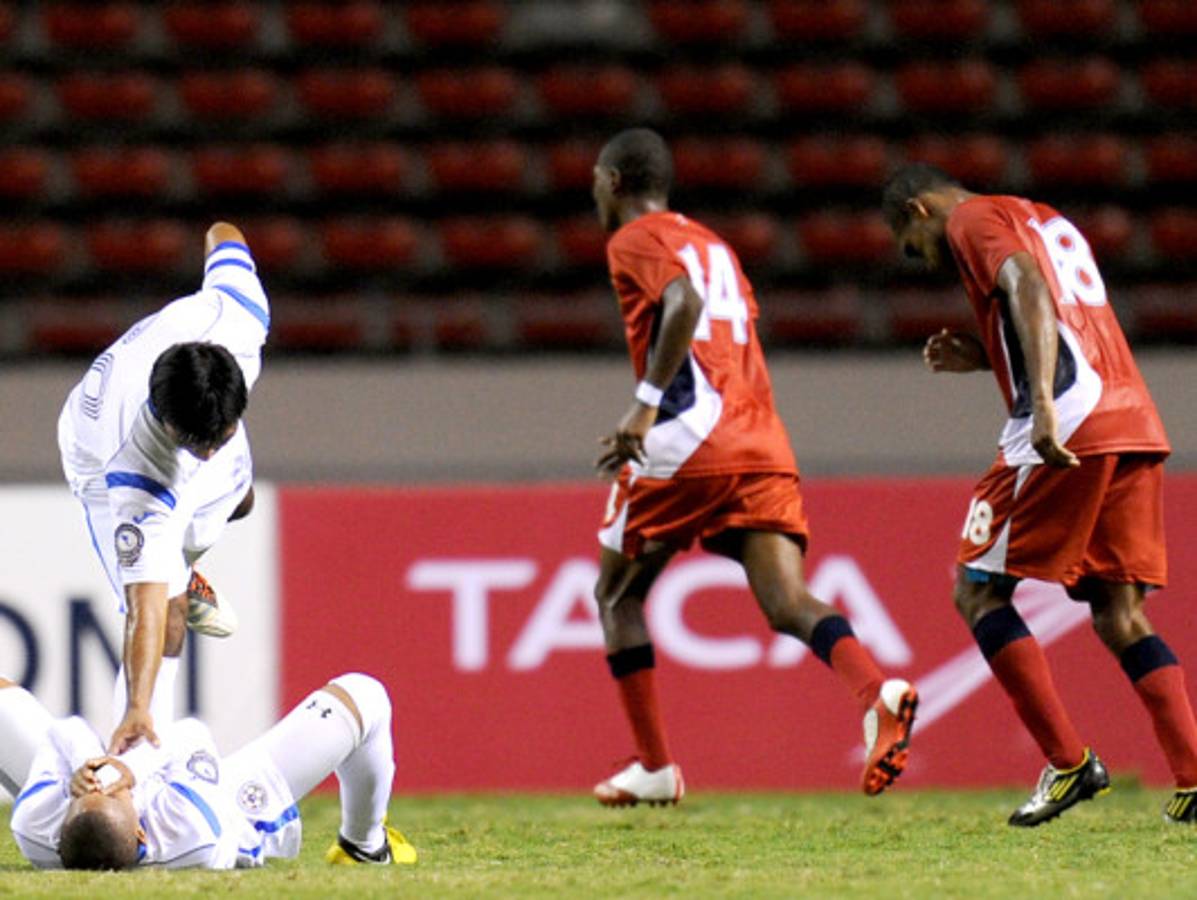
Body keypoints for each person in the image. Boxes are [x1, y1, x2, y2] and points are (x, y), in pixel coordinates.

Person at [588, 128, 918, 807]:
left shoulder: (634, 239)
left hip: (687, 439)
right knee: (785, 603)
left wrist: (643, 408)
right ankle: (873, 692)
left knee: (617, 596)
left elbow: (683, 304)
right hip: (759, 440)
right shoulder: (715, 245)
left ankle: (654, 768)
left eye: (595, 180)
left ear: (613, 181)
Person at [881, 163, 1197, 826]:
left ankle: (1068, 763)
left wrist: (1044, 404)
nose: (927, 260)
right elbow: (1061, 309)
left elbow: (1024, 283)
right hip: (1130, 415)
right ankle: (1194, 775)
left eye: (916, 246)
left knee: (976, 590)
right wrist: (987, 354)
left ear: (919, 209)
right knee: (1119, 613)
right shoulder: (1044, 216)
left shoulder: (969, 219)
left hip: (1068, 416)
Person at [57, 222, 269, 756]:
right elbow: (145, 606)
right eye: (202, 447)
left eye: (221, 438)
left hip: (188, 428)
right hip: (95, 459)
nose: (211, 454)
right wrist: (137, 707)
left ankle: (183, 563)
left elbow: (224, 233)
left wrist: (221, 235)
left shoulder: (239, 317)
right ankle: (147, 759)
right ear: (170, 426)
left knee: (242, 502)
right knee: (168, 606)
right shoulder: (136, 474)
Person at [0, 673, 417, 869]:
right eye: (112, 792)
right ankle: (364, 845)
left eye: (91, 788)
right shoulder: (191, 831)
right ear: (141, 831)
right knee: (365, 696)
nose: (102, 784)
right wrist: (128, 769)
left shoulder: (35, 823)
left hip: (104, 818)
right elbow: (189, 738)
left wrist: (82, 767)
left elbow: (67, 731)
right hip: (228, 804)